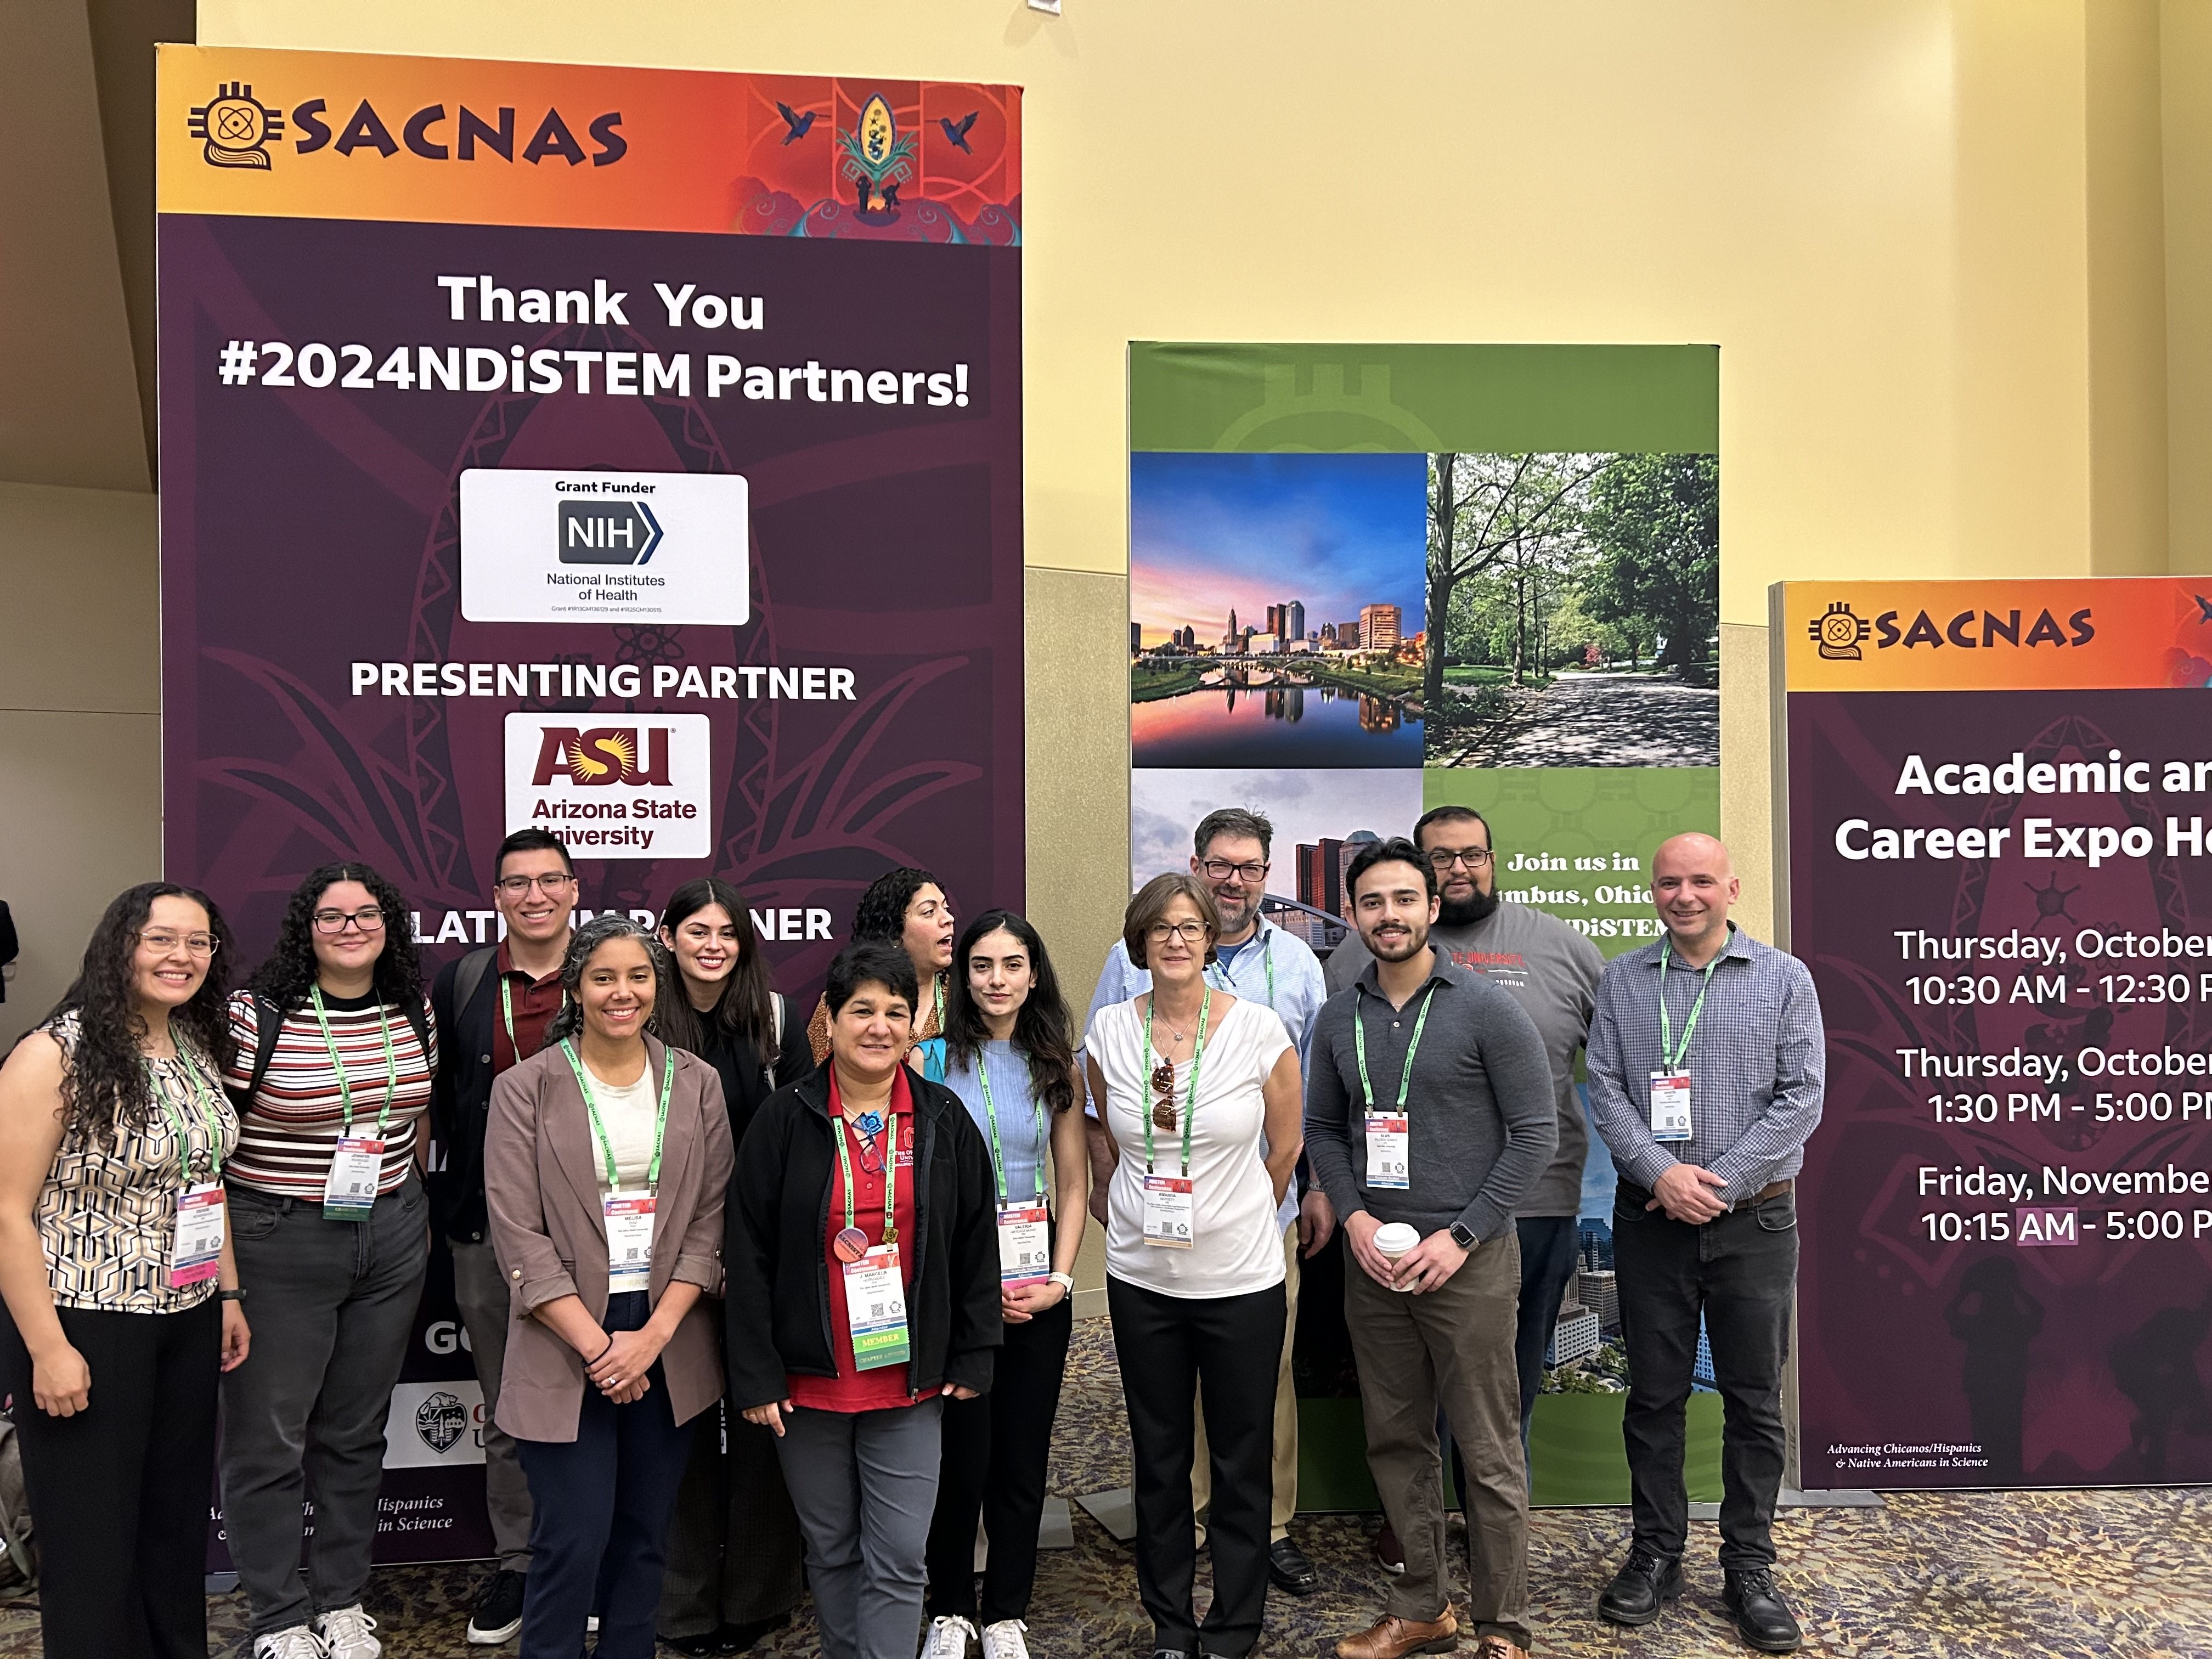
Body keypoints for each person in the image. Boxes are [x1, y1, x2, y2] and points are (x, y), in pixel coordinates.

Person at [1324, 804, 1603, 1564]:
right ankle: (1416, 1523)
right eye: (1439, 856)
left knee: (1504, 1383)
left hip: (1532, 1204)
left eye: (1471, 854)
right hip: (1397, 1215)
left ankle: (1491, 1532)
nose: (1458, 867)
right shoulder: (1357, 960)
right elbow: (1330, 1098)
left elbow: (1606, 1070)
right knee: (1406, 1385)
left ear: (1489, 861)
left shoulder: (1561, 948)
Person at [1305, 839, 1555, 1659]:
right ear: (1353, 915)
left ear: (1432, 907)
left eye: (1404, 900)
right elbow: (1322, 1130)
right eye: (1372, 903)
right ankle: (1423, 1608)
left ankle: (1503, 1625)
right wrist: (1354, 1218)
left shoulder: (1487, 1009)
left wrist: (1464, 1236)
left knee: (1485, 1446)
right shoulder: (1339, 1014)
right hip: (1374, 1261)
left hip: (1468, 1261)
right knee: (1396, 1439)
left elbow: (1534, 1135)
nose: (1389, 916)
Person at [1585, 833, 1824, 1655]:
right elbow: (1605, 1090)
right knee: (1654, 1398)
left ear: (1731, 887)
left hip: (1754, 1221)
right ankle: (1656, 1553)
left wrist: (1711, 1180)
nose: (1683, 896)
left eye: (1699, 882)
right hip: (1651, 1220)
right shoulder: (1622, 979)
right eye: (1667, 883)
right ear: (1653, 891)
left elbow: (1803, 1098)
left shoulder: (1785, 979)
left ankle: (1749, 1565)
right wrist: (1662, 1174)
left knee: (1755, 1403)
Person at [726, 941, 999, 1659]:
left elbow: (975, 1243)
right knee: (832, 1549)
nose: (879, 1027)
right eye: (862, 1011)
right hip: (807, 1378)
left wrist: (973, 1353)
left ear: (916, 1025)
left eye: (896, 1013)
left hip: (911, 1377)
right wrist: (754, 1374)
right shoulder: (785, 1120)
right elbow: (747, 1253)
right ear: (833, 1020)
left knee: (902, 1553)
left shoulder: (943, 1119)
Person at [0, 882, 251, 1659]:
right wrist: (47, 1348)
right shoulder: (56, 1051)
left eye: (198, 942)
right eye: (161, 939)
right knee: (93, 1547)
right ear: (122, 946)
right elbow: (6, 1210)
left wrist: (230, 1294)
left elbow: (205, 1179)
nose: (182, 956)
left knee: (172, 1534)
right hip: (84, 1320)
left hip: (187, 1314)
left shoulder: (191, 1043)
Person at [1086, 808, 1327, 1596]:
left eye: (1249, 867)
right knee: (1167, 1395)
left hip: (1257, 1225)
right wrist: (1116, 1191)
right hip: (1153, 1232)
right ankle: (1184, 1525)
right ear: (1197, 866)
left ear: (1265, 875)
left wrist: (1264, 1201)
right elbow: (1102, 1103)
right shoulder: (1127, 975)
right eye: (1220, 865)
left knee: (1264, 1388)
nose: (1233, 879)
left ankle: (1269, 1529)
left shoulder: (1295, 966)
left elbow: (1302, 1112)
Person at [484, 915, 735, 1659]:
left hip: (671, 1333)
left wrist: (651, 1340)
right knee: (572, 1539)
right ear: (576, 987)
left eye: (637, 977)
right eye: (604, 978)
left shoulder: (698, 1083)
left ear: (657, 987)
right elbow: (518, 1233)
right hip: (565, 1339)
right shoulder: (525, 1088)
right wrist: (603, 1350)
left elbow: (711, 1222)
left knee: (645, 1539)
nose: (621, 993)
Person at [218, 864, 437, 1659]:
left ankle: (342, 1602)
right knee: (269, 1438)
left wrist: (404, 1212)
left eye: (366, 913)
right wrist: (227, 1279)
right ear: (305, 928)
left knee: (355, 1432)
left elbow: (413, 1119)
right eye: (331, 916)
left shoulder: (411, 1007)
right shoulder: (254, 1015)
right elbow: (210, 1147)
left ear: (389, 924)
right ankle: (279, 1615)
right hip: (279, 1239)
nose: (351, 928)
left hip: (388, 1233)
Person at [921, 912, 1090, 1659]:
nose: (997, 981)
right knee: (959, 1457)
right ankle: (951, 1608)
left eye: (1012, 965)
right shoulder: (927, 1059)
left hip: (1035, 1289)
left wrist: (1059, 1278)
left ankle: (1007, 1612)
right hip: (956, 1294)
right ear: (962, 976)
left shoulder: (1054, 1060)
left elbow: (1076, 1182)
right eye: (982, 966)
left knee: (1022, 1456)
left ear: (1033, 973)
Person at [429, 826, 578, 1646]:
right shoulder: (465, 981)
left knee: (610, 1395)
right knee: (511, 1403)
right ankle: (522, 1563)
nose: (533, 896)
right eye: (516, 883)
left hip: (601, 1235)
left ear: (574, 891)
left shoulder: (616, 975)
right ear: (495, 898)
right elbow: (444, 1100)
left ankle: (596, 1557)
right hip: (489, 1229)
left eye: (549, 880)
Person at [652, 878, 805, 1656]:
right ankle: (680, 1605)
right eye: (698, 931)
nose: (713, 946)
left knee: (761, 1425)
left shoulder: (773, 1021)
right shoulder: (640, 1016)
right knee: (678, 1431)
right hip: (664, 1258)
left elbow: (806, 1137)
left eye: (729, 933)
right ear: (668, 935)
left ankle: (758, 1597)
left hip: (760, 1258)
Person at [806, 868, 956, 1076]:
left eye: (945, 908)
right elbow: (817, 1084)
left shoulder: (962, 999)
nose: (948, 919)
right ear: (893, 932)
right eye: (929, 912)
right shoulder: (843, 1001)